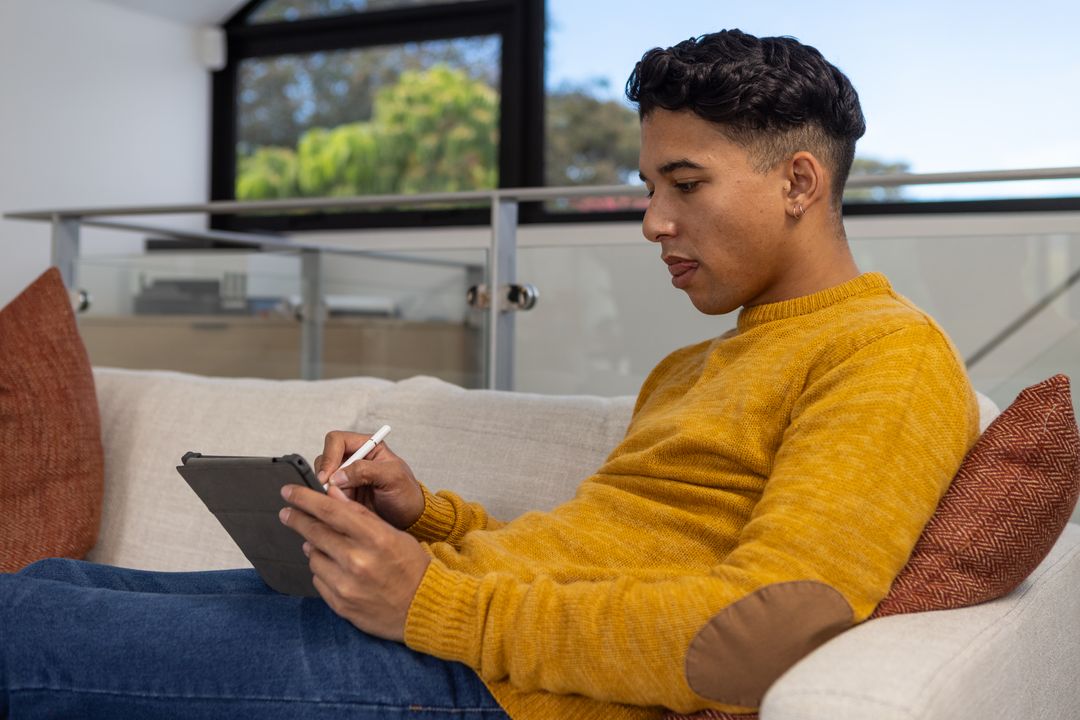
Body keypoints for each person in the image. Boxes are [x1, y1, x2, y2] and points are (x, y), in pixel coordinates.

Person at [0, 29, 978, 720]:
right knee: (43, 584)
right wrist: (425, 518)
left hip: (484, 685)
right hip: (445, 627)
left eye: (685, 185)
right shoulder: (699, 362)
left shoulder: (885, 354)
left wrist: (434, 605)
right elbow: (609, 554)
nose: (651, 222)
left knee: (22, 631)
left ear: (800, 182)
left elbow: (767, 629)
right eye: (649, 188)